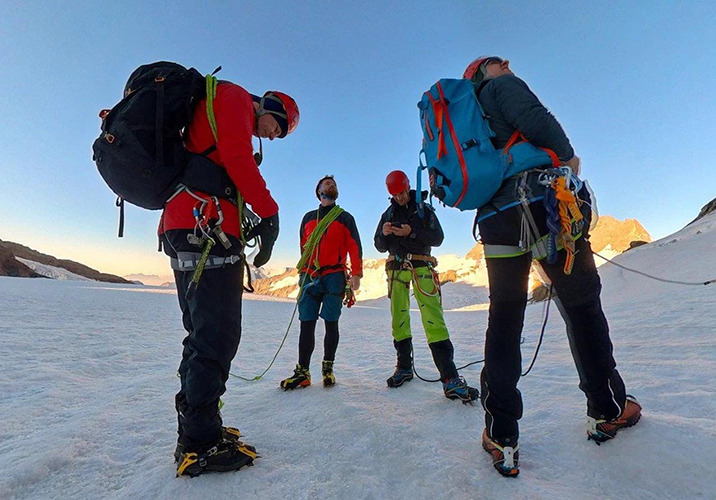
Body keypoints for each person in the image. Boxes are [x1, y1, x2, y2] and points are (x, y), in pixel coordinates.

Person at [463, 56, 641, 477]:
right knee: (582, 307)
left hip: (495, 220)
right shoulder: (500, 88)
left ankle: (501, 434)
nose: (505, 64)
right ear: (483, 73)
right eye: (495, 62)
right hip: (544, 208)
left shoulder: (469, 118)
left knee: (504, 318)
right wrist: (568, 158)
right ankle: (606, 410)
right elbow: (536, 120)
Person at [159, 79, 299, 477]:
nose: (273, 136)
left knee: (202, 334)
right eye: (279, 126)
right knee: (216, 336)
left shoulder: (218, 104)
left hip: (189, 225)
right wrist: (269, 213)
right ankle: (199, 443)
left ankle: (198, 428)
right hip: (205, 229)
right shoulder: (234, 98)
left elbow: (225, 163)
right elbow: (238, 159)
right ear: (270, 105)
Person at [374, 170, 479, 403]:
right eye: (395, 194)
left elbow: (437, 238)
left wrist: (411, 232)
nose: (400, 197)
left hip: (420, 266)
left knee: (433, 320)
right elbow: (379, 246)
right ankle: (404, 367)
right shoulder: (389, 213)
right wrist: (383, 233)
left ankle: (449, 378)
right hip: (398, 269)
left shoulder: (423, 208)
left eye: (401, 192)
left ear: (407, 187)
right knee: (398, 318)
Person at [280, 175, 363, 390]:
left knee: (331, 322)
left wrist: (357, 274)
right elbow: (303, 246)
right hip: (310, 275)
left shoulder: (345, 218)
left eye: (334, 184)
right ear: (318, 191)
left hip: (334, 275)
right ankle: (303, 372)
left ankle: (327, 368)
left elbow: (354, 246)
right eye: (327, 183)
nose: (331, 185)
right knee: (306, 323)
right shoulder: (308, 218)